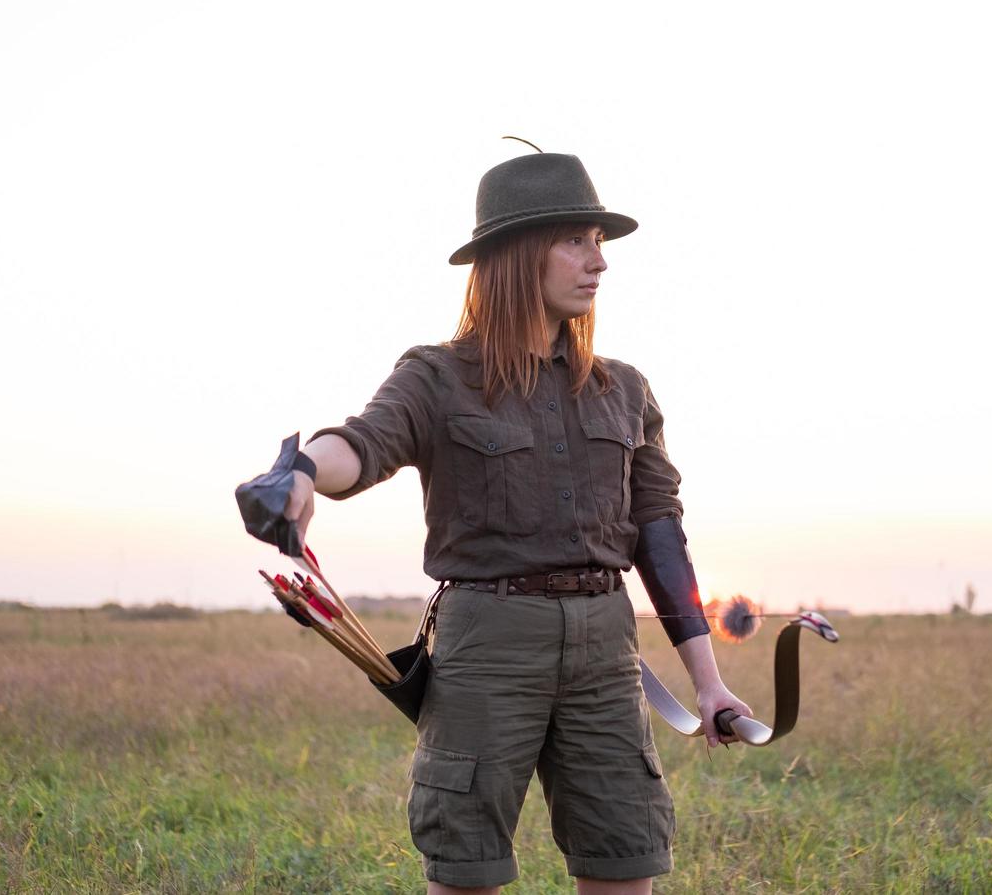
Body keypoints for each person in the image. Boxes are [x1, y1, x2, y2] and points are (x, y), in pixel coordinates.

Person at [242, 151, 750, 894]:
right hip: (488, 645)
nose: (597, 262)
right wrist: (302, 472)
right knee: (467, 867)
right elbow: (363, 442)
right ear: (516, 255)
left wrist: (709, 685)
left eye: (599, 242)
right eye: (575, 240)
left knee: (626, 856)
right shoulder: (437, 376)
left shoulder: (626, 389)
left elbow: (660, 532)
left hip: (607, 648)